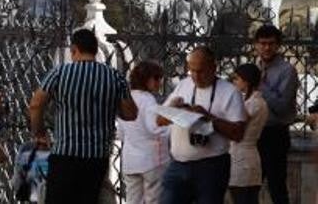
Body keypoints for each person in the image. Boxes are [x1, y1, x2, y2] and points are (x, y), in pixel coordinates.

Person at [28, 28, 136, 202]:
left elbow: (35, 104)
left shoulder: (60, 73)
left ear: (74, 50)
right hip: (96, 158)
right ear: (95, 50)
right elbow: (130, 114)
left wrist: (39, 132)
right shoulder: (114, 77)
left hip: (65, 154)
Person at [156, 46, 247, 204]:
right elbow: (159, 120)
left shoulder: (230, 92)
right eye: (192, 71)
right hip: (178, 164)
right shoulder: (183, 85)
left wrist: (207, 117)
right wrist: (176, 112)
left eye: (201, 71)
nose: (196, 77)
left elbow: (238, 134)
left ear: (213, 68)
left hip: (211, 166)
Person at [255, 24, 298, 204]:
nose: (266, 48)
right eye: (262, 43)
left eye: (271, 44)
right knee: (251, 185)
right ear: (256, 44)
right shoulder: (254, 67)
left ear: (278, 45)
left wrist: (260, 86)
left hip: (275, 134)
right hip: (254, 134)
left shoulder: (287, 71)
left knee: (277, 187)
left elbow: (281, 106)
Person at [119, 60, 170, 204]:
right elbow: (155, 129)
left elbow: (121, 133)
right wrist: (171, 125)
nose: (159, 82)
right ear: (146, 79)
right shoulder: (148, 101)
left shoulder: (125, 98)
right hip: (152, 161)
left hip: (131, 161)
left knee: (133, 200)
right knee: (154, 199)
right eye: (156, 78)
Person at [229, 64, 268, 204]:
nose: (235, 82)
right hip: (248, 157)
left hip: (242, 158)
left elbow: (236, 127)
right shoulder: (257, 102)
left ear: (246, 81)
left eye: (237, 79)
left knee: (242, 198)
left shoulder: (252, 104)